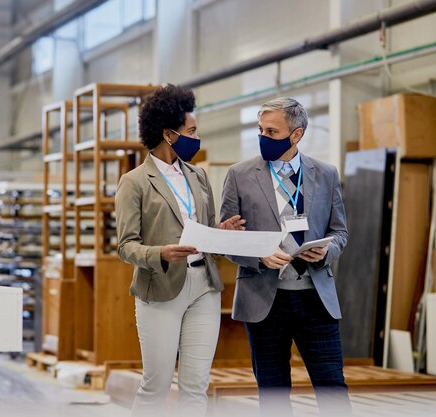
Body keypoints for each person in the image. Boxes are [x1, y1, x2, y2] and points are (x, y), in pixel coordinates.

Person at [220, 97, 351, 416]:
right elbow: (226, 238)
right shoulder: (239, 175)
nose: (264, 137)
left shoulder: (326, 174)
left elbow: (340, 232)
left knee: (332, 386)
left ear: (297, 134)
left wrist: (326, 251)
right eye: (261, 130)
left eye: (273, 131)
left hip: (316, 299)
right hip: (265, 301)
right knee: (273, 392)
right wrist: (258, 255)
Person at [116, 84, 241, 416]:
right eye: (192, 131)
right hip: (161, 287)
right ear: (168, 134)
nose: (197, 138)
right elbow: (125, 246)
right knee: (155, 385)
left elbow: (208, 229)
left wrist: (221, 233)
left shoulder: (198, 176)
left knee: (195, 387)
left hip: (204, 286)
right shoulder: (135, 182)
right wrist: (160, 253)